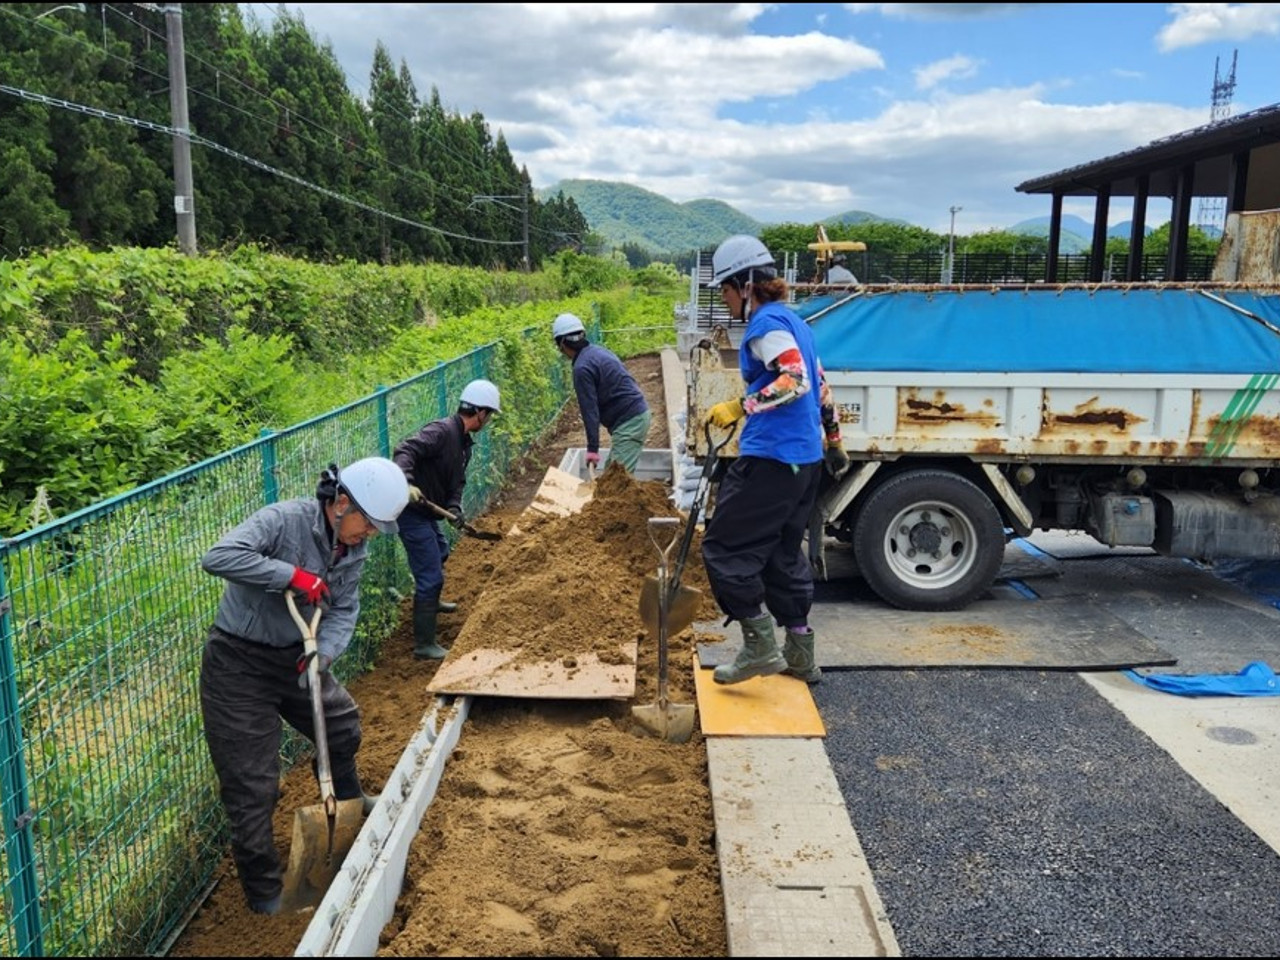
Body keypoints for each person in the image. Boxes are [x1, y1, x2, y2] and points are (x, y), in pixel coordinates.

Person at [199, 455, 409, 916]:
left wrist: (324, 655)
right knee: (253, 784)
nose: (367, 535)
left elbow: (345, 609)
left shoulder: (352, 550)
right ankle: (265, 891)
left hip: (298, 656)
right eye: (367, 524)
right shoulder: (284, 520)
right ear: (340, 503)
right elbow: (218, 556)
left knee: (341, 725)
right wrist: (290, 576)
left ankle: (346, 802)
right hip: (238, 663)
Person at [699, 234, 828, 686]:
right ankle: (800, 652)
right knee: (781, 553)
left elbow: (796, 380)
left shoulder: (764, 325)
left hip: (771, 459)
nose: (726, 300)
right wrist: (832, 436)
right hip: (805, 461)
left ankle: (759, 648)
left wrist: (740, 406)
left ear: (747, 284)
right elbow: (822, 384)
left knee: (723, 548)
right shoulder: (797, 323)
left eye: (726, 290)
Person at [392, 378, 500, 659]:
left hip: (430, 512)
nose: (488, 420)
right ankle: (424, 645)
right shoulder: (441, 431)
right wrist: (406, 481)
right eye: (489, 415)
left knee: (440, 551)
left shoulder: (464, 444)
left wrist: (453, 508)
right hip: (412, 512)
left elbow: (457, 482)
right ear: (480, 413)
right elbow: (405, 450)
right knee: (431, 576)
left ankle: (432, 599)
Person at [552, 312, 652, 475]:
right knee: (612, 479)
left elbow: (590, 412)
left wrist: (592, 450)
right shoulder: (597, 352)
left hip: (630, 422)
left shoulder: (582, 368)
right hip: (635, 416)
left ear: (561, 344)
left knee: (615, 483)